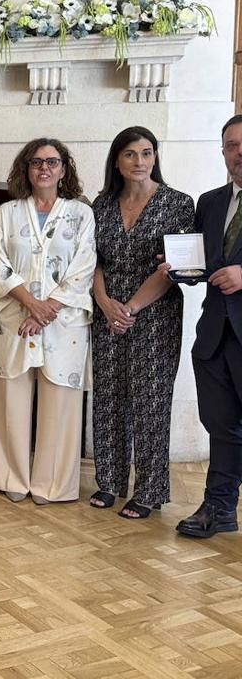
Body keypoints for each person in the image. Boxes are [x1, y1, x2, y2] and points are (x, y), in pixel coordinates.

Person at [0, 138, 95, 505]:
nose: (44, 168)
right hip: (15, 318)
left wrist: (47, 309)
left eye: (52, 161)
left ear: (64, 169)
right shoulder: (8, 212)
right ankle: (10, 476)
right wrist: (32, 305)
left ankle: (53, 484)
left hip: (63, 322)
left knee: (60, 403)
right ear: (26, 169)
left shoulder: (82, 214)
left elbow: (84, 267)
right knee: (10, 400)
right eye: (36, 162)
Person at [90, 127, 193, 520]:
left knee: (150, 400)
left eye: (147, 153)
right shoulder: (100, 206)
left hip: (155, 313)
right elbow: (93, 260)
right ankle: (110, 481)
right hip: (106, 311)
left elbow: (173, 265)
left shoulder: (177, 203)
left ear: (155, 157)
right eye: (130, 154)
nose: (139, 161)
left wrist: (129, 308)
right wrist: (104, 303)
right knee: (109, 397)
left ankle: (149, 490)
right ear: (116, 160)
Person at [177, 115, 242, 538]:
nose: (240, 152)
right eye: (232, 145)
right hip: (214, 335)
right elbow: (202, 262)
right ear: (223, 152)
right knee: (222, 425)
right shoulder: (211, 201)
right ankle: (218, 508)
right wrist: (179, 268)